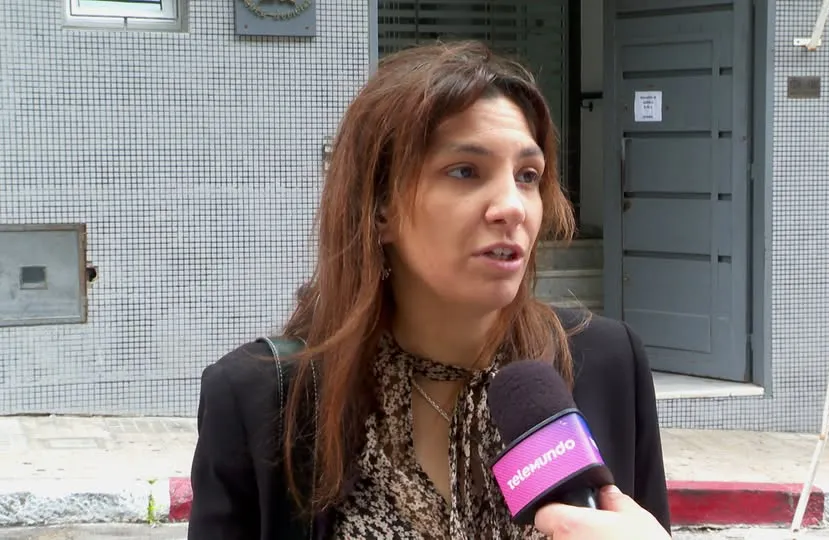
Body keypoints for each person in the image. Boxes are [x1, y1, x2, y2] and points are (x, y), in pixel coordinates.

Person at [188, 40, 671, 540]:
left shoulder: (607, 362)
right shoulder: (261, 398)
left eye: (528, 176)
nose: (513, 207)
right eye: (465, 171)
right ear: (380, 210)